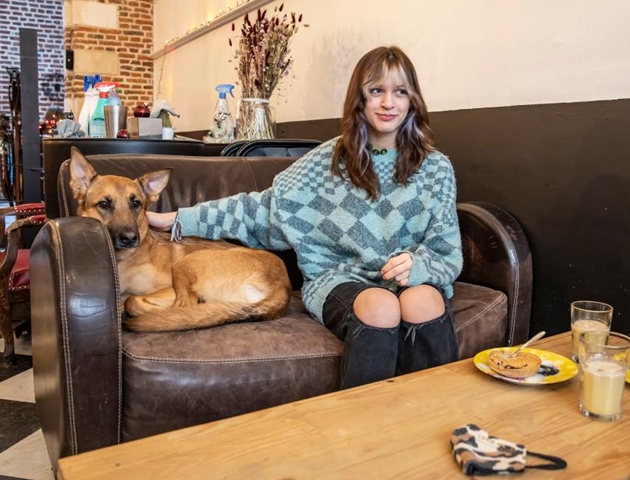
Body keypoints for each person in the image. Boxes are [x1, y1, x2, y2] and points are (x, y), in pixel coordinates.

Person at [148, 46, 463, 389]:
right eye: (376, 91)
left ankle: (435, 417)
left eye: (399, 91)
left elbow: (446, 253)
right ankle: (365, 431)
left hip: (408, 283)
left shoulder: (436, 169)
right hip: (339, 280)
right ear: (359, 98)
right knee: (381, 305)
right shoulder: (325, 162)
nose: (389, 103)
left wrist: (418, 266)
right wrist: (179, 219)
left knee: (424, 299)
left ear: (412, 99)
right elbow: (261, 211)